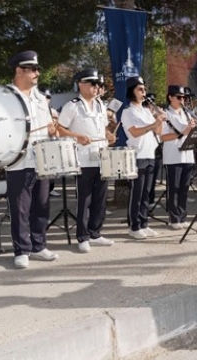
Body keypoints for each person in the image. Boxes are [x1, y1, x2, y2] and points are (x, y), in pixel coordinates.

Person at [5, 51, 58, 269]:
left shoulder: (40, 98)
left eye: (37, 69)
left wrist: (53, 129)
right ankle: (22, 249)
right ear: (19, 70)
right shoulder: (6, 96)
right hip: (18, 159)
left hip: (41, 159)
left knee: (41, 205)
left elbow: (48, 128)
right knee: (20, 208)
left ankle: (39, 245)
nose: (37, 73)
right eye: (32, 69)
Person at [57, 68, 116, 253]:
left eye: (98, 84)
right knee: (85, 199)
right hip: (82, 159)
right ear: (80, 84)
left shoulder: (100, 105)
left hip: (101, 157)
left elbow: (103, 129)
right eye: (92, 84)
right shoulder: (72, 106)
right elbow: (59, 129)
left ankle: (95, 233)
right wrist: (77, 136)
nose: (96, 87)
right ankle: (82, 236)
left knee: (100, 198)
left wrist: (109, 136)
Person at [120, 76, 165, 239]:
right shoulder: (127, 112)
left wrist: (160, 120)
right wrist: (154, 123)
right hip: (137, 155)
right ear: (132, 91)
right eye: (140, 89)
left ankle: (144, 223)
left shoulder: (146, 111)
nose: (143, 92)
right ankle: (134, 226)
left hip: (150, 154)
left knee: (147, 192)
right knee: (136, 193)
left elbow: (158, 132)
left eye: (144, 89)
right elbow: (134, 132)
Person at [161, 85, 196, 229]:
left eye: (184, 97)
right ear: (170, 97)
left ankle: (182, 216)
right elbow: (163, 137)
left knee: (184, 189)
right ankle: (174, 218)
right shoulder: (165, 114)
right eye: (179, 97)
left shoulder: (186, 113)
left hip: (188, 155)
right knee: (174, 189)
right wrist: (184, 131)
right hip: (173, 155)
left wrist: (193, 129)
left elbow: (190, 133)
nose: (182, 100)